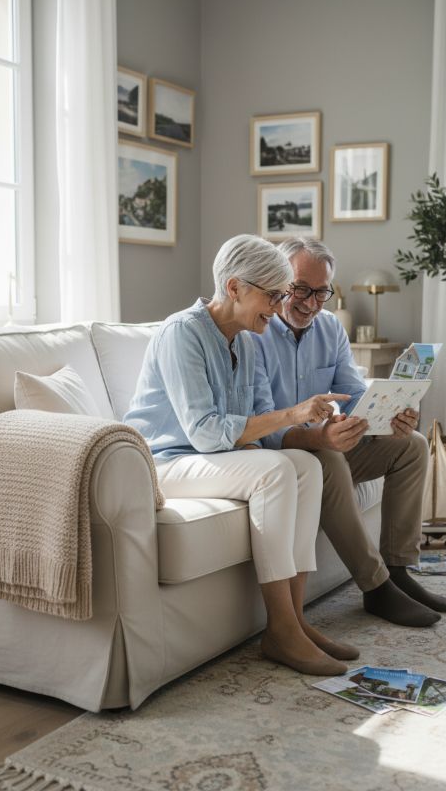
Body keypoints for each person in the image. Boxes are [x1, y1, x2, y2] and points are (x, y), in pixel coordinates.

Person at [124, 234, 357, 676]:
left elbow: (259, 421)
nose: (279, 306)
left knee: (305, 466)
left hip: (209, 459)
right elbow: (208, 431)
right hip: (164, 462)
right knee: (273, 472)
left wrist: (302, 425)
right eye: (273, 295)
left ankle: (297, 619)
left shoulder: (248, 342)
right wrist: (291, 413)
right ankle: (281, 629)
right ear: (235, 288)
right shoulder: (182, 333)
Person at [252, 237, 446, 631]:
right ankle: (375, 586)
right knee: (326, 458)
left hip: (330, 442)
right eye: (301, 289)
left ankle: (397, 570)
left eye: (322, 292)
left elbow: (356, 393)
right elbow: (261, 423)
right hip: (286, 452)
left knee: (410, 445)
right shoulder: (255, 330)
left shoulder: (330, 328)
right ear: (280, 282)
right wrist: (320, 436)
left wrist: (391, 415)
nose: (311, 303)